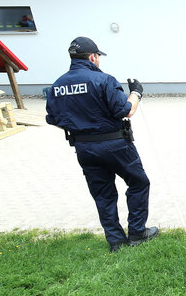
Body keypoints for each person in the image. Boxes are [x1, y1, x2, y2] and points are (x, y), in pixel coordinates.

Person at [46, 37, 159, 252]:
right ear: (92, 57)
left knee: (102, 193)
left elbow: (53, 118)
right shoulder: (103, 80)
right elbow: (126, 110)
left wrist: (79, 128)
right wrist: (136, 93)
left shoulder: (58, 85)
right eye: (98, 56)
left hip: (84, 148)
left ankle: (116, 241)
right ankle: (137, 233)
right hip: (115, 144)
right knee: (138, 183)